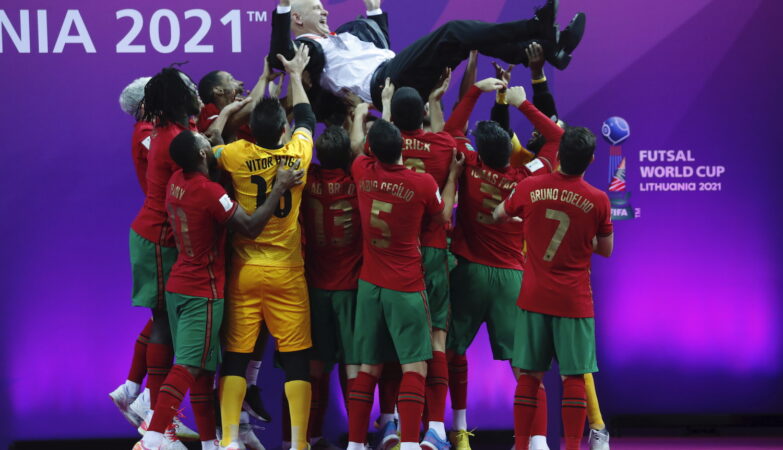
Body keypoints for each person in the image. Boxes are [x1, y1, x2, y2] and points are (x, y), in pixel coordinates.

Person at [132, 129, 304, 450]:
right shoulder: (210, 193)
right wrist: (279, 185)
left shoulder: (175, 183)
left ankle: (211, 442)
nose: (210, 146)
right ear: (200, 155)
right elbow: (250, 227)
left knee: (203, 371)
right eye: (205, 145)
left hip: (178, 285)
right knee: (188, 366)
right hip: (203, 291)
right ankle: (153, 436)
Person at [444, 81, 563, 450]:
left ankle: (460, 431)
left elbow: (452, 131)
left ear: (479, 150)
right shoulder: (526, 179)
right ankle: (536, 441)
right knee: (525, 368)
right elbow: (556, 139)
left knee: (449, 352)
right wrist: (523, 104)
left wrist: (475, 91)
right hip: (512, 278)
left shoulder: (468, 163)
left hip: (468, 274)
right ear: (511, 153)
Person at [214, 44, 316, 450]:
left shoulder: (236, 155)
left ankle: (228, 442)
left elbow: (212, 146)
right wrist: (295, 74)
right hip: (288, 272)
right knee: (296, 360)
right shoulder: (297, 155)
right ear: (282, 132)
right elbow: (307, 116)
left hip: (246, 270)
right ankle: (298, 444)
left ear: (251, 132)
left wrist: (225, 115)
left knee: (236, 358)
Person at [492, 127, 614, 450]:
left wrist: (525, 223)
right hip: (574, 302)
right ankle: (573, 446)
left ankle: (521, 446)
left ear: (557, 156)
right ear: (591, 159)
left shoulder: (529, 187)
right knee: (573, 378)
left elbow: (499, 214)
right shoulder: (599, 199)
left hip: (533, 298)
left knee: (529, 376)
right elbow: (606, 248)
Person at [346, 119, 463, 450]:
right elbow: (442, 218)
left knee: (368, 367)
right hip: (406, 285)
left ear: (372, 150)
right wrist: (453, 176)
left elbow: (357, 144)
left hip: (370, 285)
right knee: (415, 367)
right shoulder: (423, 183)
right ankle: (412, 443)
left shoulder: (361, 169)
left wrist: (357, 116)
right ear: (402, 146)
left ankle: (355, 445)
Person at [270, 0, 586, 110]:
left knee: (461, 42)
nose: (325, 10)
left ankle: (550, 50)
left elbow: (383, 47)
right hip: (384, 87)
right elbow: (280, 55)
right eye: (315, 7)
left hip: (395, 71)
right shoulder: (307, 50)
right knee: (453, 31)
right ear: (297, 19)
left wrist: (374, 10)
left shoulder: (345, 35)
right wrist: (283, 5)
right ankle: (536, 26)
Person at [375, 81, 464, 450]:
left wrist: (383, 103)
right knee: (436, 341)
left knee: (394, 344)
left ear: (392, 118)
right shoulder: (445, 146)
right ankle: (437, 429)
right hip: (431, 250)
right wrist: (455, 177)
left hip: (391, 256)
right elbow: (445, 138)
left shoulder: (375, 148)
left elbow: (371, 140)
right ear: (425, 114)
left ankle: (389, 422)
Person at [129, 67, 203, 444]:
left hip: (160, 236)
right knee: (162, 323)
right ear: (178, 98)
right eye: (189, 88)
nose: (195, 90)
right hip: (158, 238)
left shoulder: (170, 131)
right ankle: (154, 422)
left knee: (169, 328)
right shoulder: (174, 137)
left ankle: (156, 414)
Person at [300, 125, 363, 449]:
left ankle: (309, 437)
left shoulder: (307, 181)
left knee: (314, 368)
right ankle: (356, 441)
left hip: (315, 289)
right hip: (350, 289)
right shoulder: (358, 183)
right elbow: (360, 153)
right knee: (354, 367)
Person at [110, 76, 154, 429]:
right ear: (145, 105)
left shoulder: (156, 126)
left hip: (169, 228)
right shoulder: (146, 131)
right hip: (158, 232)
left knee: (168, 319)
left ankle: (134, 390)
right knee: (170, 320)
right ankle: (147, 403)